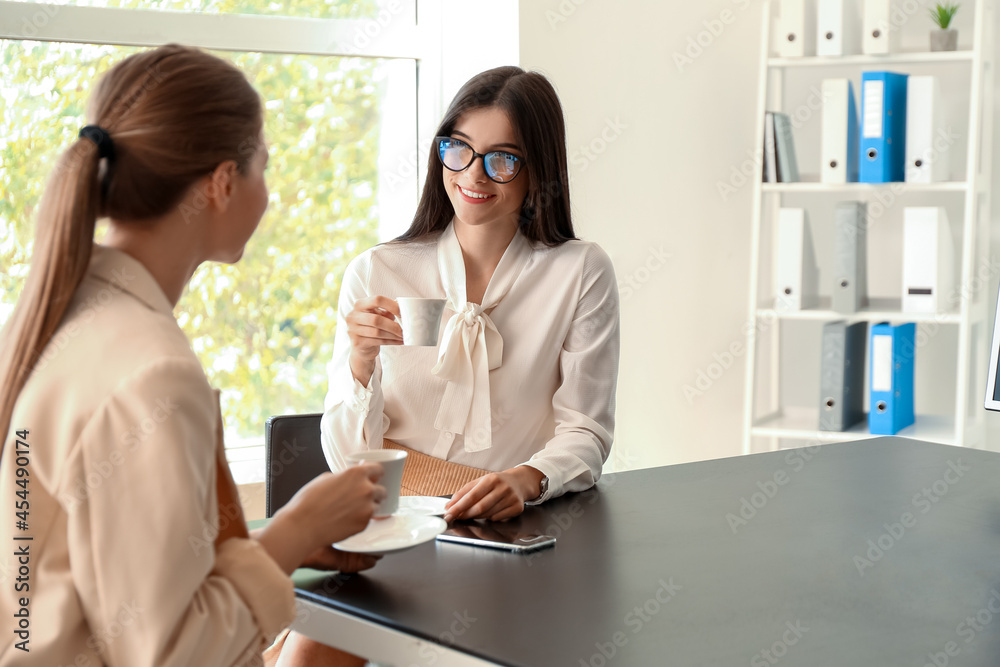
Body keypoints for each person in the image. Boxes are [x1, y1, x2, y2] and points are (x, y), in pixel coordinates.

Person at [0, 44, 386, 667]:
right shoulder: (154, 375)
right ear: (223, 182)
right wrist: (296, 533)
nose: (269, 190)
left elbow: (93, 574)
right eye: (263, 164)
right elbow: (175, 656)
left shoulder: (54, 320)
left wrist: (268, 542)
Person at [321, 64, 620, 523]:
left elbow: (586, 429)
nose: (474, 175)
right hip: (391, 523)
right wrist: (361, 362)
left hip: (509, 524)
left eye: (502, 158)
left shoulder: (580, 271)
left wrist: (527, 478)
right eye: (458, 148)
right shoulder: (376, 270)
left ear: (538, 169)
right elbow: (346, 458)